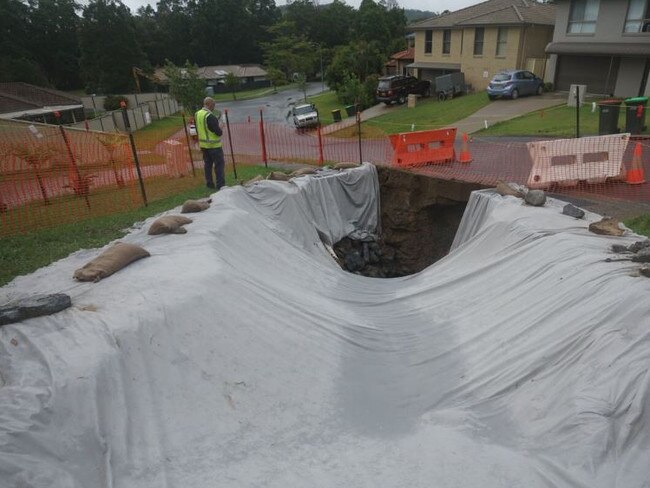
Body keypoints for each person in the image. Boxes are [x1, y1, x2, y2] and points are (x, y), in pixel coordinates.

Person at [195, 97, 225, 190]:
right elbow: (218, 132)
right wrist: (220, 126)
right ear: (209, 104)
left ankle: (209, 183)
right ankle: (220, 185)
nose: (214, 107)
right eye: (213, 105)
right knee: (219, 165)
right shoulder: (210, 116)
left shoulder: (198, 114)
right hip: (214, 146)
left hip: (204, 146)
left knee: (207, 165)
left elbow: (199, 129)